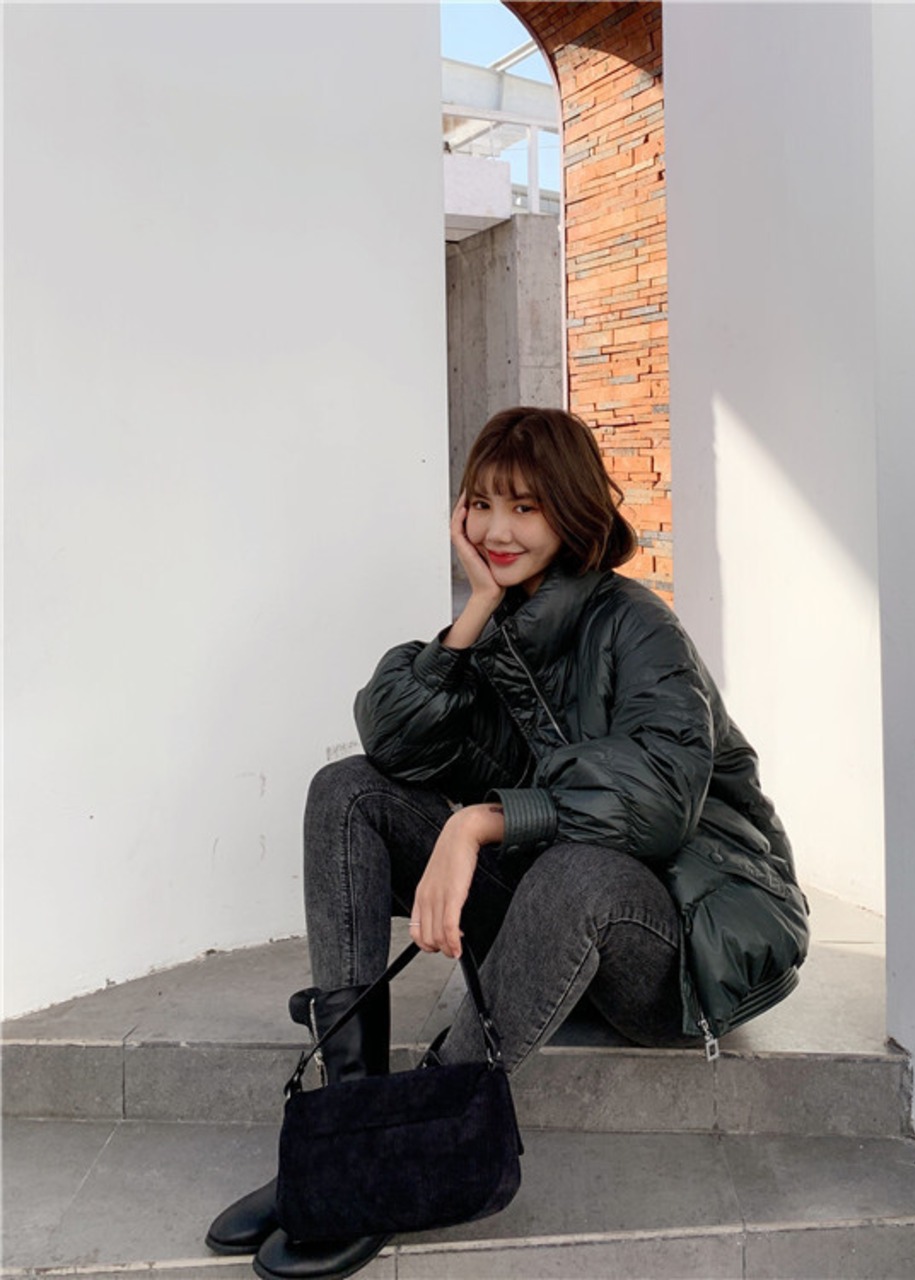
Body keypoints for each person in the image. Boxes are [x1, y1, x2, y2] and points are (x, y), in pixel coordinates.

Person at [206, 406, 809, 1280]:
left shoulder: (637, 624)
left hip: (676, 941)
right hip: (549, 916)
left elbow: (659, 802)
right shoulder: (500, 628)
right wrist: (476, 609)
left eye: (525, 507)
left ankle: (401, 1154)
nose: (497, 529)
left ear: (572, 511)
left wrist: (480, 821)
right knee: (347, 790)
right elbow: (394, 743)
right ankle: (349, 1128)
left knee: (578, 869)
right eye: (482, 503)